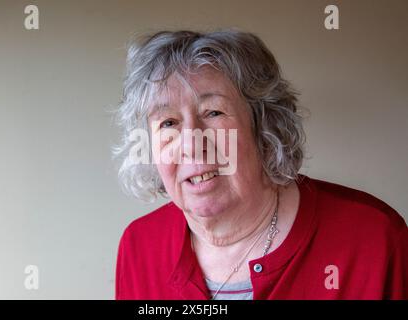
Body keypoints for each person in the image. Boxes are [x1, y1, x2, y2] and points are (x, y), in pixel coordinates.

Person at [113, 30, 407, 300]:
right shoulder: (139, 248)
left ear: (264, 128)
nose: (190, 143)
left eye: (213, 112)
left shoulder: (374, 239)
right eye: (168, 123)